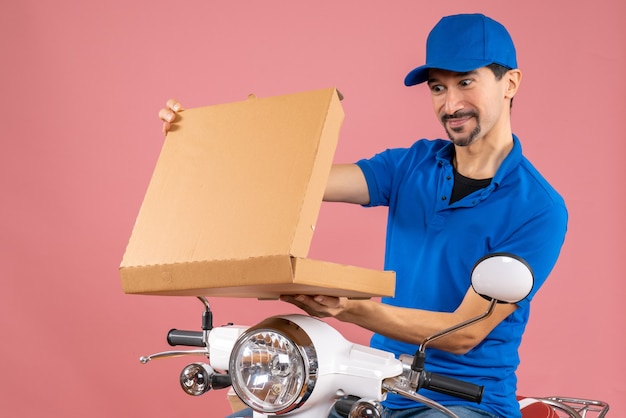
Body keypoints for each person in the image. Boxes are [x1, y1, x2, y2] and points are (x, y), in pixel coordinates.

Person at [159, 13, 567, 418]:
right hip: (377, 384)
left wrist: (349, 307)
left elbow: (464, 332)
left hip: (462, 400)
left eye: (466, 82)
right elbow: (298, 182)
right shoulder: (412, 165)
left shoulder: (538, 209)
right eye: (438, 87)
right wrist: (204, 139)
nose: (451, 103)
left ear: (509, 82)